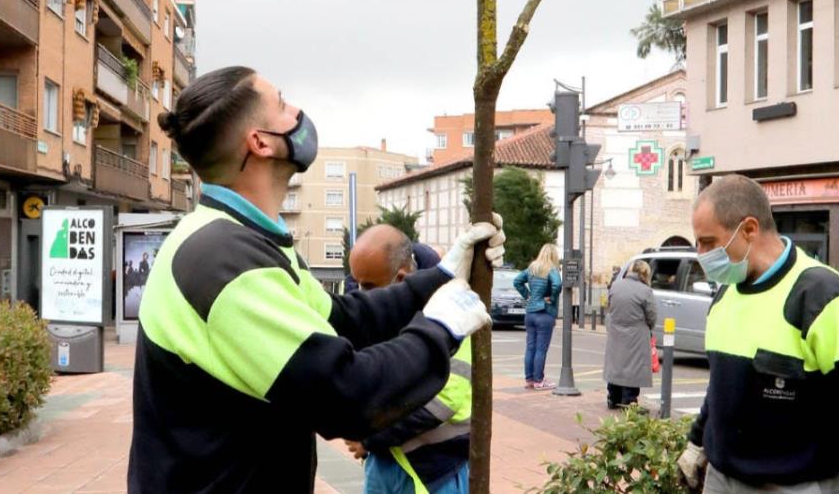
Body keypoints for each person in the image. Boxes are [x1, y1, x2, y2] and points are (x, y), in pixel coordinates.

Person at [127, 66, 506, 493]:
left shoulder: (241, 238)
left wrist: (440, 277)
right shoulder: (223, 261)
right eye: (283, 104)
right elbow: (347, 395)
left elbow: (340, 317)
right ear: (260, 142)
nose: (298, 112)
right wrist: (439, 328)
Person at [676, 175, 839, 493]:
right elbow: (722, 388)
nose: (700, 253)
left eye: (709, 242)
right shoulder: (726, 296)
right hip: (723, 481)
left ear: (749, 229)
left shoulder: (823, 296)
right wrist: (697, 442)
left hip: (800, 485)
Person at [346, 226, 471, 494]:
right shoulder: (381, 317)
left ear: (401, 278)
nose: (360, 294)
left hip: (436, 467)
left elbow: (445, 401)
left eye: (368, 285)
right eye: (355, 282)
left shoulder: (449, 314)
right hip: (387, 459)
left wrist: (371, 438)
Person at [602, 259, 657, 409]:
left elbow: (609, 307)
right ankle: (629, 400)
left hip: (616, 331)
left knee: (616, 365)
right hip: (636, 334)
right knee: (633, 367)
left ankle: (612, 397)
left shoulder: (616, 286)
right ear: (645, 274)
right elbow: (652, 316)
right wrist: (648, 328)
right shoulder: (645, 291)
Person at [513, 244, 563, 390]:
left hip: (530, 313)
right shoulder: (552, 269)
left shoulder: (532, 268)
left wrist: (528, 295)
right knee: (541, 349)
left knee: (530, 348)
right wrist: (552, 299)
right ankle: (539, 380)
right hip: (544, 313)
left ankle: (529, 379)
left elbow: (517, 281)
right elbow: (557, 285)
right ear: (553, 256)